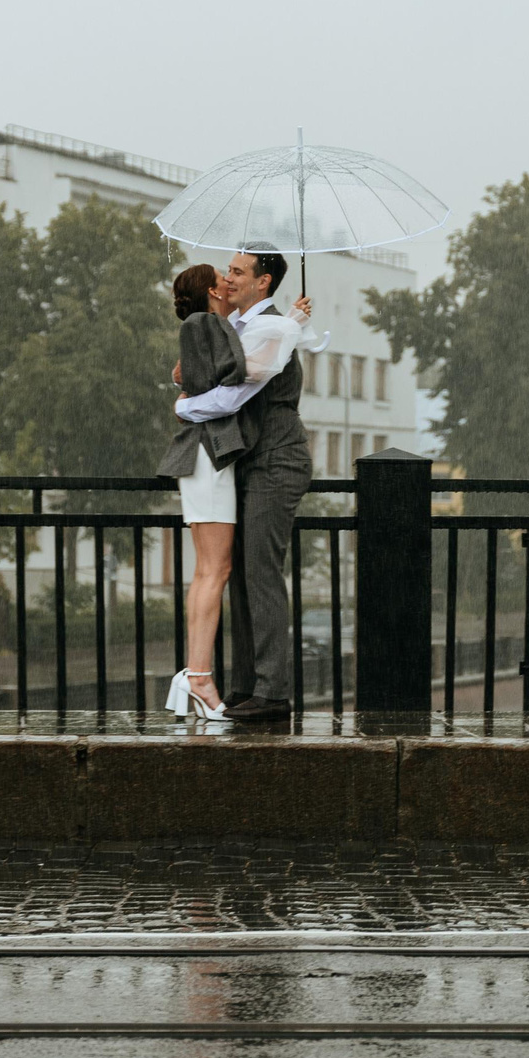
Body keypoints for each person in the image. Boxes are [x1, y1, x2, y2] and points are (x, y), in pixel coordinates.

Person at [171, 244, 324, 722]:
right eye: (228, 271)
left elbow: (237, 391)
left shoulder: (271, 327)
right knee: (238, 574)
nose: (228, 279)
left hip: (276, 460)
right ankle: (245, 686)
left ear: (263, 281)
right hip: (246, 460)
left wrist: (184, 406)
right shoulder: (239, 327)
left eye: (239, 272)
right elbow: (198, 373)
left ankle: (272, 691)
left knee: (260, 572)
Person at [157, 263, 245, 720]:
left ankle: (194, 672)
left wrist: (183, 385)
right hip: (209, 458)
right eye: (224, 278)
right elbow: (235, 378)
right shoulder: (207, 324)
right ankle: (200, 678)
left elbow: (195, 378)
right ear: (212, 290)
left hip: (202, 459)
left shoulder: (203, 326)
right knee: (216, 570)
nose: (230, 282)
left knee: (207, 571)